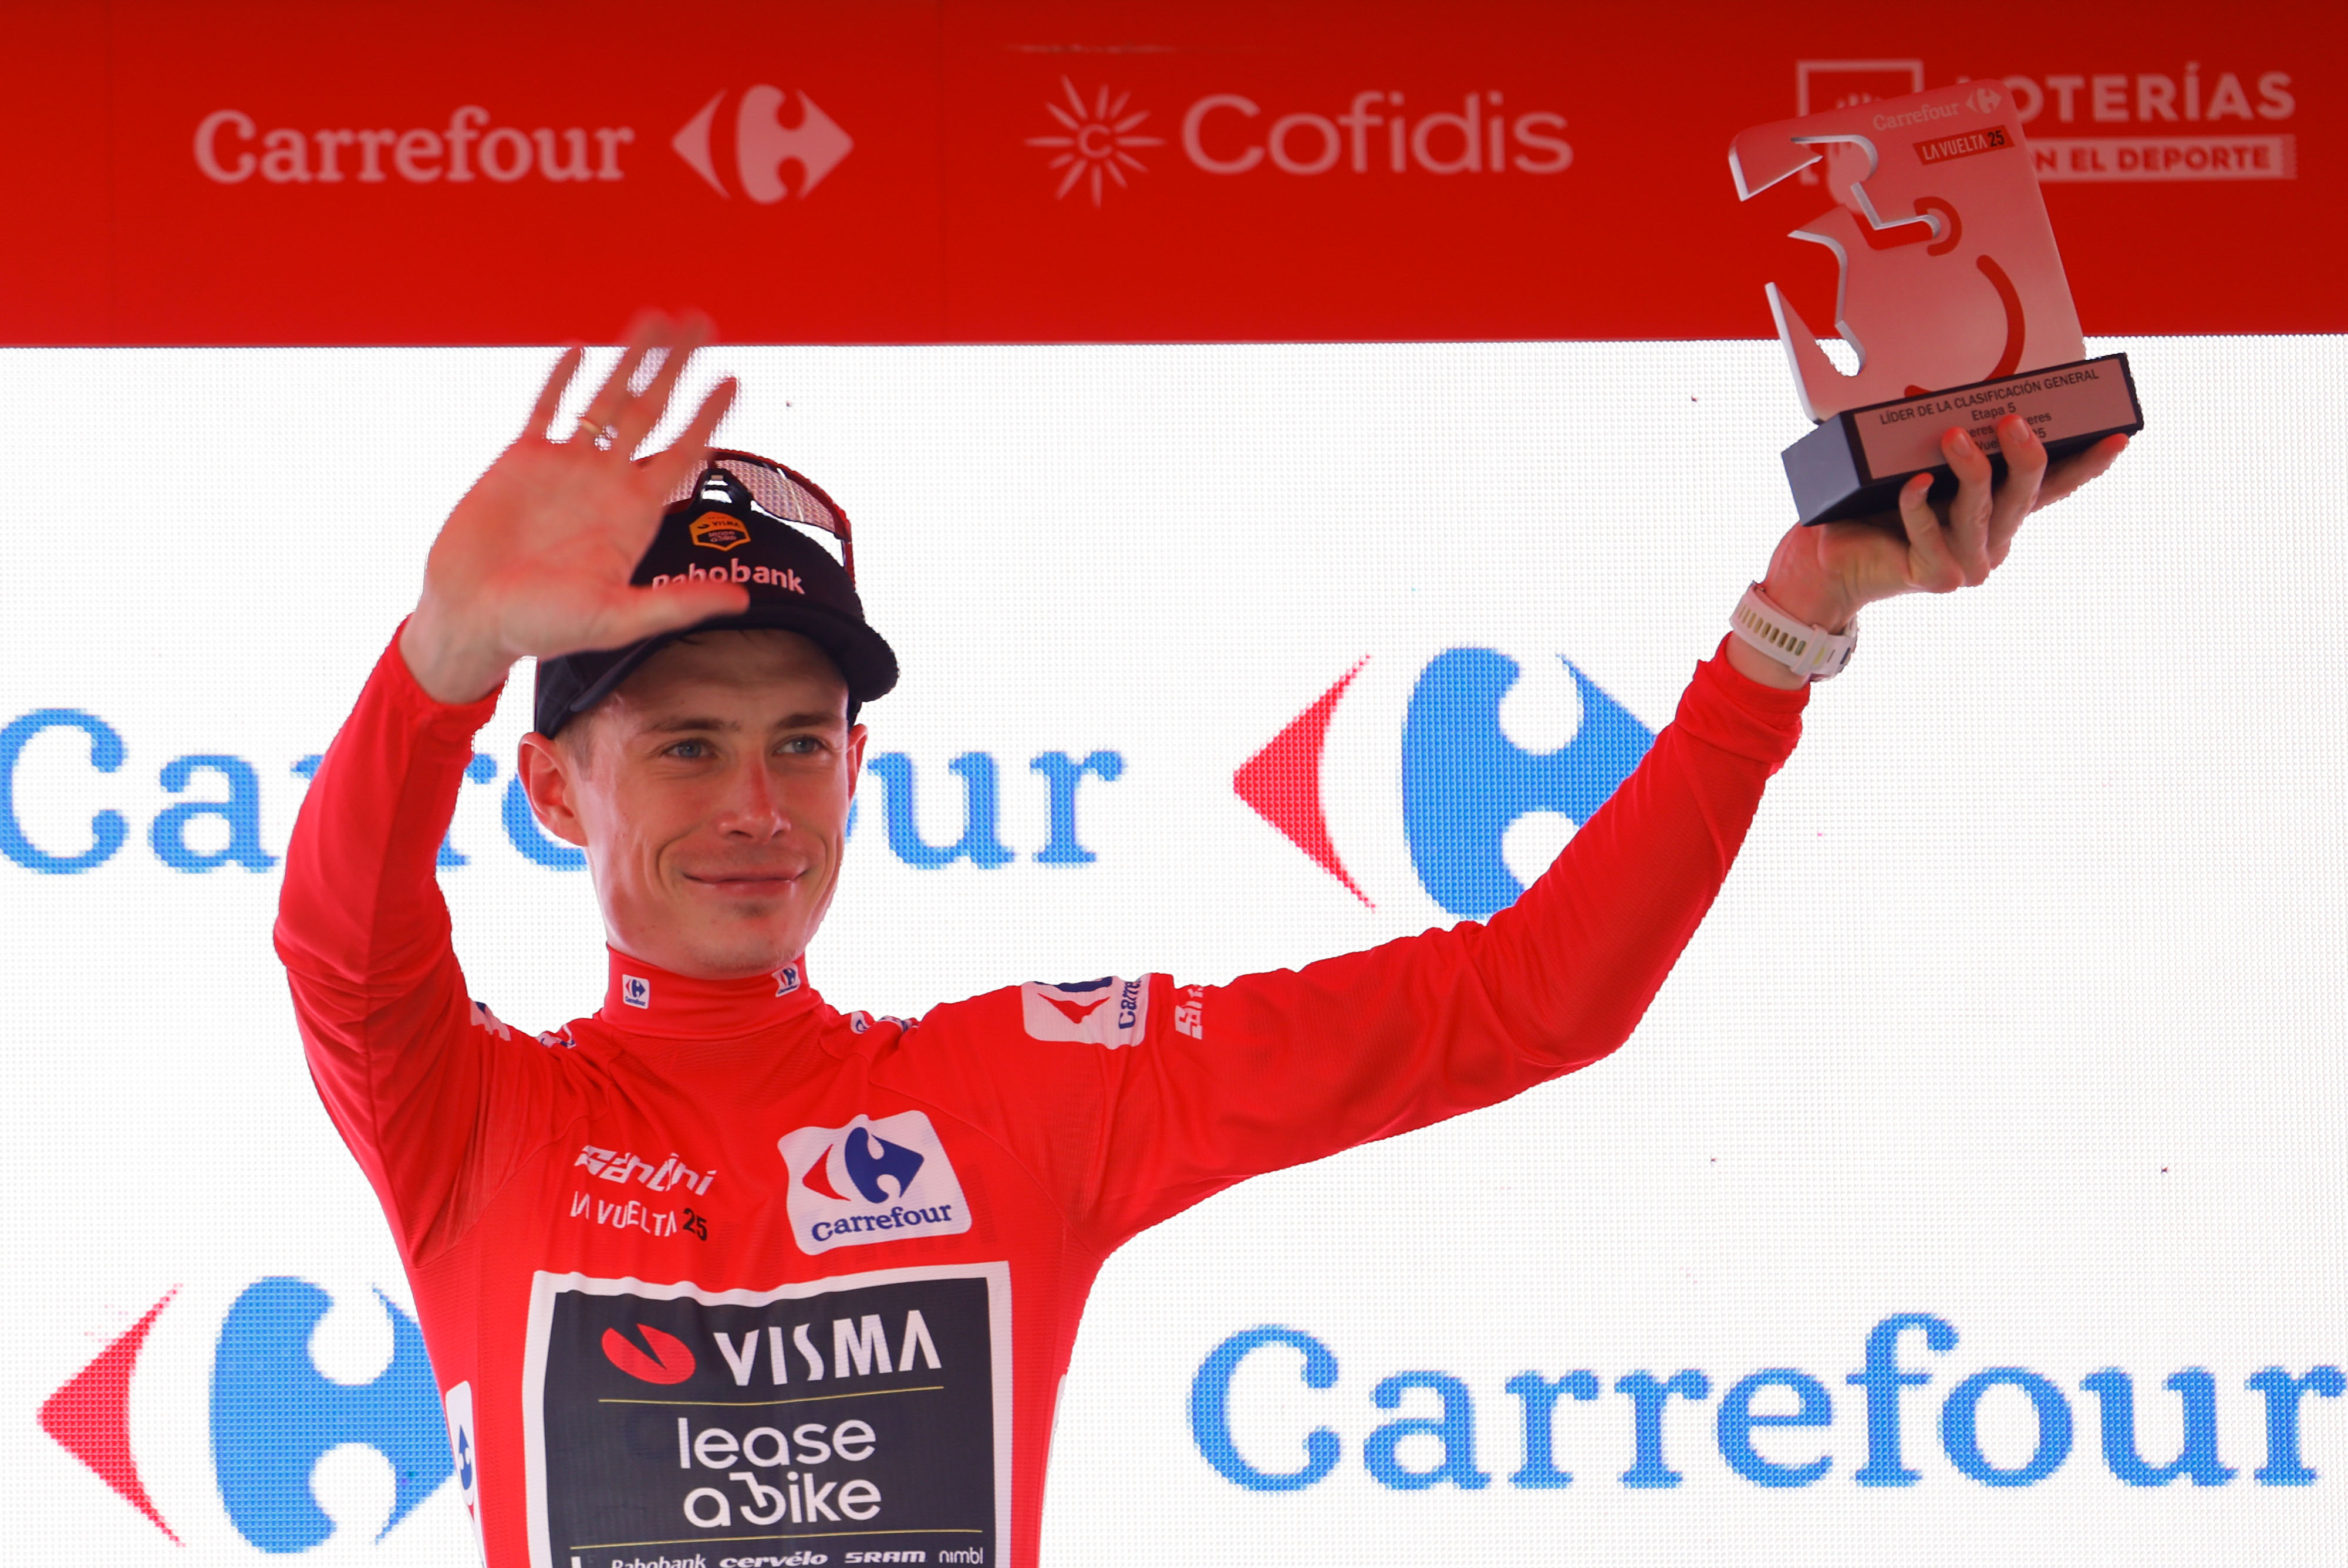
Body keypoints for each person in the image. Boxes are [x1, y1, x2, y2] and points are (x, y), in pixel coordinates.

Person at [275, 313, 2124, 1568]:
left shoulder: (1014, 1091)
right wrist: (440, 660)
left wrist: (1789, 627)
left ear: (857, 772)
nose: (758, 806)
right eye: (686, 746)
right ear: (550, 792)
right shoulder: (475, 1124)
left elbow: (1530, 1000)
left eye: (800, 744)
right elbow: (343, 949)